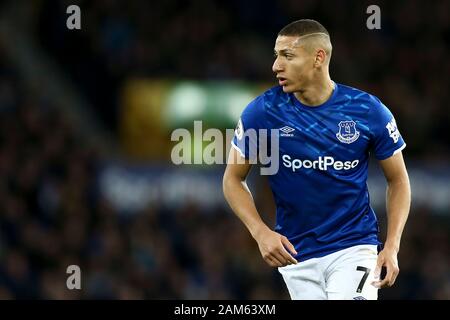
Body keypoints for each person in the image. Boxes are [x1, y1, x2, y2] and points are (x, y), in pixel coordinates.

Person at [223, 19, 411, 300]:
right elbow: (232, 178)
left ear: (318, 58)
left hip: (353, 246)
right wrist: (260, 232)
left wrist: (392, 246)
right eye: (276, 55)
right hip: (297, 256)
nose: (276, 65)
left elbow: (398, 180)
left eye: (287, 56)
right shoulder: (262, 113)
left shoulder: (367, 111)